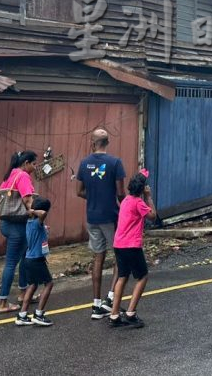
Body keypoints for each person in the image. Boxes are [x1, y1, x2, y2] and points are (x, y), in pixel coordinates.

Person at [76, 128, 126, 319]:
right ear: (108, 143)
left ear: (92, 142)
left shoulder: (84, 163)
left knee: (98, 257)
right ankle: (111, 298)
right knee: (119, 255)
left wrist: (94, 196)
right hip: (111, 216)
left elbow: (79, 191)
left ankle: (96, 305)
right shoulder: (115, 163)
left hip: (92, 217)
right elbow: (121, 193)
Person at [109, 172, 156, 329]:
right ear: (142, 188)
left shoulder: (126, 201)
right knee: (142, 277)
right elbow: (153, 216)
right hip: (131, 245)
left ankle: (114, 314)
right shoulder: (138, 203)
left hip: (119, 244)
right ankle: (130, 312)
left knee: (122, 277)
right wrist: (148, 196)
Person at [0, 150, 36, 313]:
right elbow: (27, 199)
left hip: (6, 223)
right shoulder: (23, 176)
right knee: (12, 262)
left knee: (24, 258)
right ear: (26, 163)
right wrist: (36, 215)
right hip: (17, 226)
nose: (34, 167)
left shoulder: (10, 174)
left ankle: (23, 292)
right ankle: (3, 302)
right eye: (33, 163)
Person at [15, 197, 54, 327]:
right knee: (49, 284)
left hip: (29, 258)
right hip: (36, 259)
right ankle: (39, 314)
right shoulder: (37, 221)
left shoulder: (30, 222)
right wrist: (33, 210)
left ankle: (22, 315)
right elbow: (43, 214)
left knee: (32, 285)